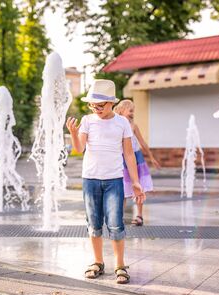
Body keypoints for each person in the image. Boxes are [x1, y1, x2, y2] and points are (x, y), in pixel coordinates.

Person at [66, 79, 146, 284]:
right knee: (93, 224)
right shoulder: (87, 120)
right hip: (90, 180)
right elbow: (78, 149)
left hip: (114, 181)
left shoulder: (122, 123)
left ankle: (120, 265)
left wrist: (136, 182)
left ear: (111, 103)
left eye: (99, 105)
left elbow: (129, 155)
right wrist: (74, 135)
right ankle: (98, 262)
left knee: (116, 224)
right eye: (92, 105)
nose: (95, 109)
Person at [114, 99, 160, 226]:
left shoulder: (133, 126)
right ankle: (119, 217)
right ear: (121, 111)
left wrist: (151, 157)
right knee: (121, 189)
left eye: (133, 111)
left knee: (138, 187)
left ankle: (139, 216)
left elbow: (143, 143)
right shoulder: (116, 125)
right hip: (122, 159)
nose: (133, 113)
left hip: (136, 158)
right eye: (130, 110)